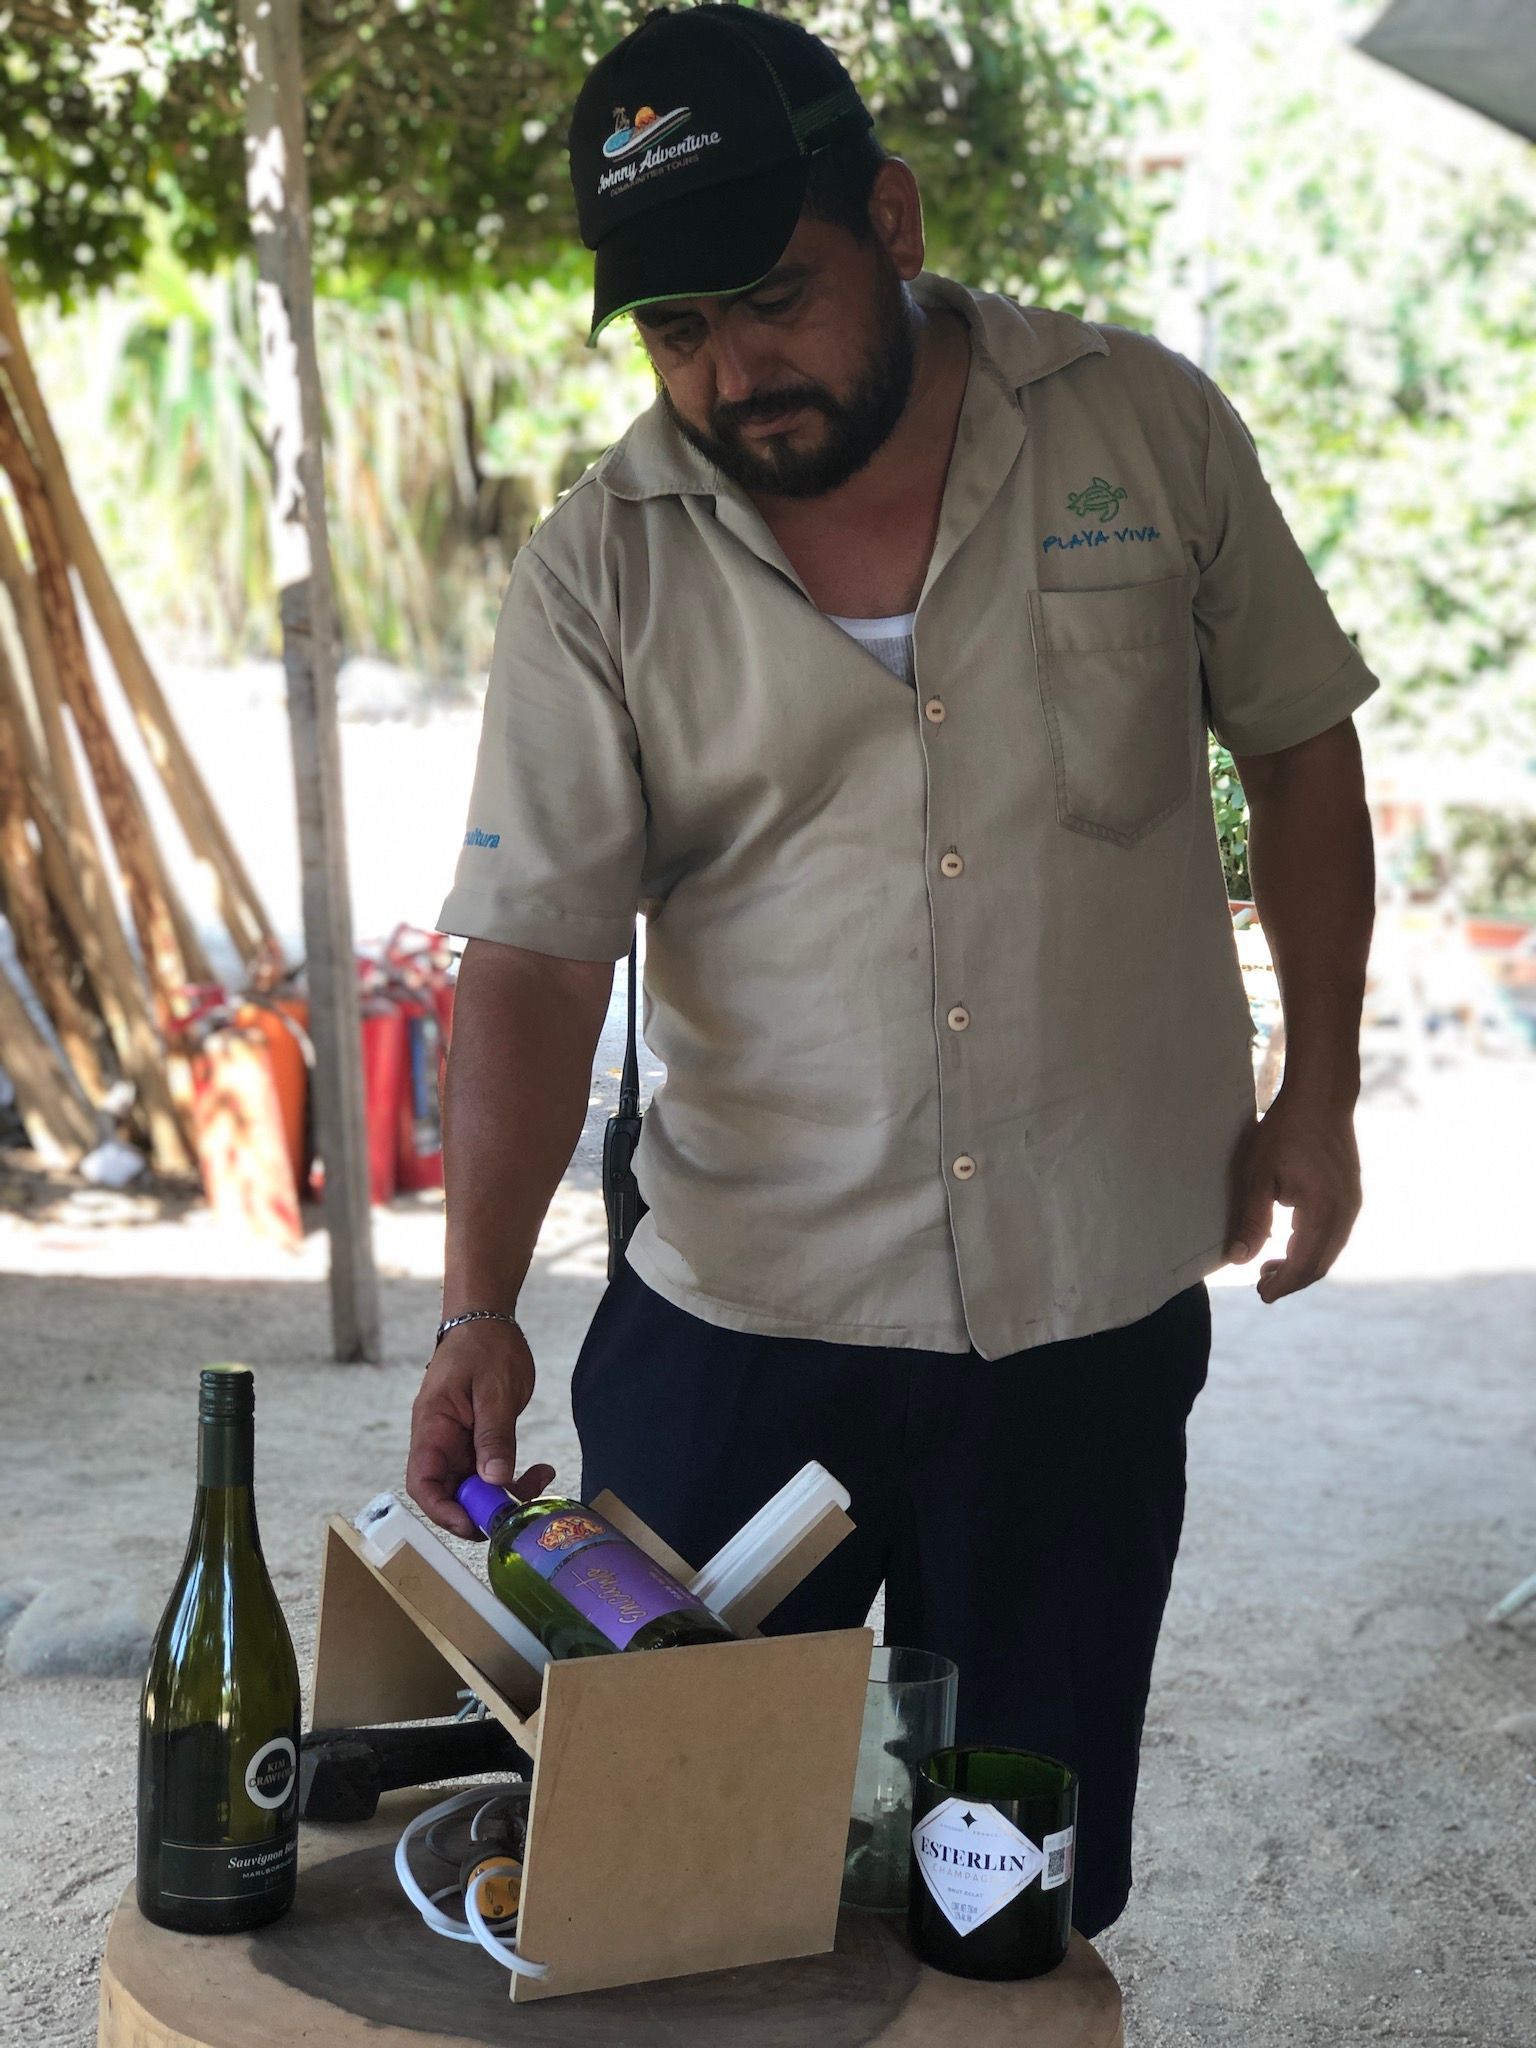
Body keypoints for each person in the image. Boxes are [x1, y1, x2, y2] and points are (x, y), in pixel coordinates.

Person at [407, 1, 1376, 1939]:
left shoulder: (1143, 427)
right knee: (662, 1867)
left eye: (773, 298)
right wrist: (474, 1308)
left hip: (1083, 1321)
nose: (734, 370)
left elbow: (1298, 743)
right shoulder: (605, 559)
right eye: (678, 332)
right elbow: (529, 950)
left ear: (898, 223)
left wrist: (1320, 1093)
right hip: (742, 1321)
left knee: (1002, 1898)